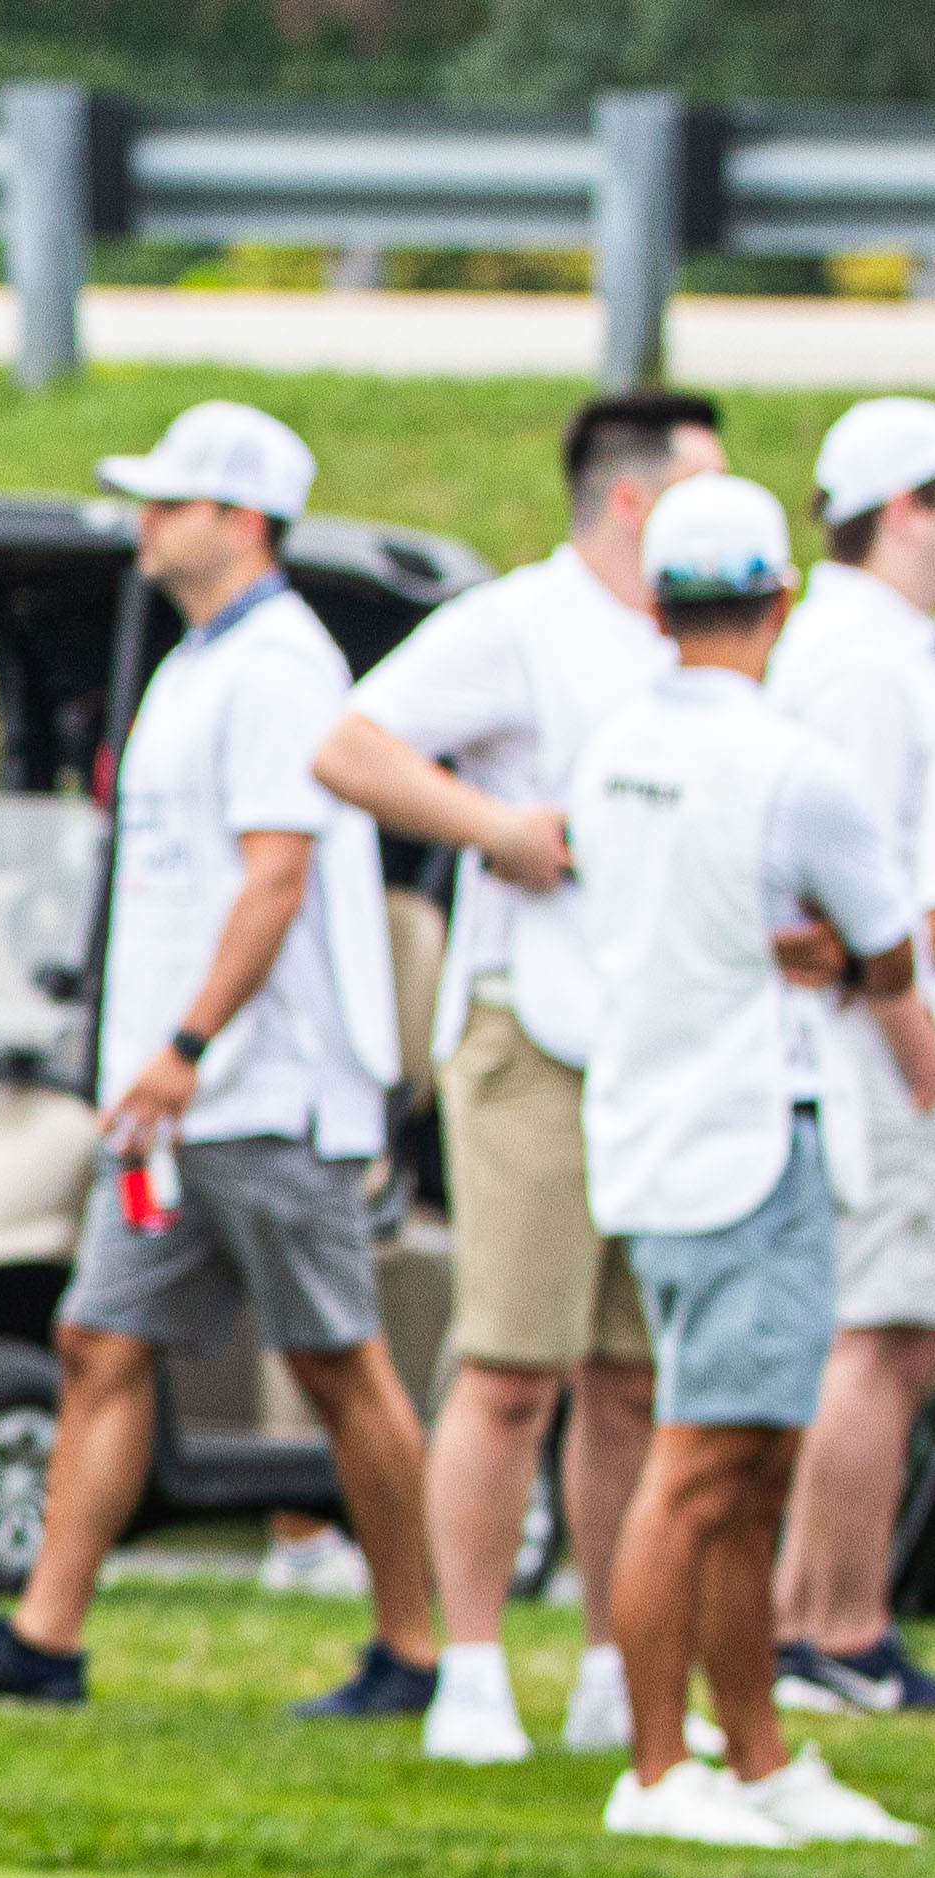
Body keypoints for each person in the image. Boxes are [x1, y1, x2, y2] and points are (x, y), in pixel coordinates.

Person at [0, 404, 440, 1720]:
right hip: (175, 1103)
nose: (145, 521)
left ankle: (421, 1652)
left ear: (239, 521)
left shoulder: (276, 668)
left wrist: (187, 1046)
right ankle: (45, 1640)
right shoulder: (202, 658)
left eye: (171, 502)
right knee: (97, 1338)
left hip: (262, 1092)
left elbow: (274, 878)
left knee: (335, 1363)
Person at [313, 390, 720, 1764]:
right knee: (508, 1366)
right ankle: (473, 1668)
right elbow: (351, 744)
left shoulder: (693, 643)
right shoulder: (521, 622)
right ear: (627, 497)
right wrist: (496, 826)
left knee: (624, 1379)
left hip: (654, 1041)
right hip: (528, 1033)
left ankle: (616, 1657)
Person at [562, 473, 930, 1850]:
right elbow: (889, 946)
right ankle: (662, 1774)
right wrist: (839, 956)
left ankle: (757, 1758)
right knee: (702, 1467)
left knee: (745, 1466)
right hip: (749, 1136)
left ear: (655, 605)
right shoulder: (793, 766)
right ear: (776, 598)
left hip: (654, 1130)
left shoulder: (607, 751)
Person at [770, 398, 935, 1715]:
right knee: (873, 1337)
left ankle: (831, 1619)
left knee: (894, 1337)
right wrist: (919, 1053)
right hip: (876, 1054)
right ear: (901, 509)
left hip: (872, 1043)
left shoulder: (866, 646)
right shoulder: (868, 663)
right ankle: (830, 1626)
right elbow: (855, 897)